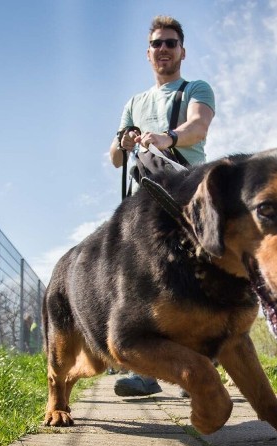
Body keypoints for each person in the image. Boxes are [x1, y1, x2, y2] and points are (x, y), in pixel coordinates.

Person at [108, 15, 215, 397]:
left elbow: (198, 127)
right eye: (157, 43)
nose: (164, 49)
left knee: (198, 278)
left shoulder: (195, 89)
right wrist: (124, 143)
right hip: (147, 200)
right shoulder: (134, 103)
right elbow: (115, 159)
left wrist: (166, 137)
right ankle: (150, 370)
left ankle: (200, 364)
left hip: (189, 191)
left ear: (182, 51)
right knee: (148, 280)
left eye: (171, 43)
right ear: (148, 53)